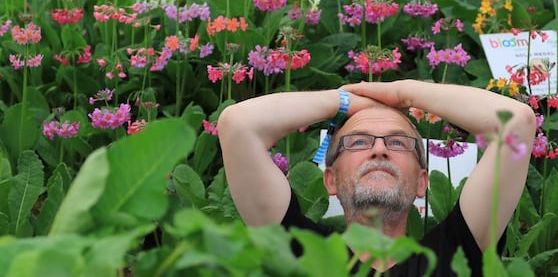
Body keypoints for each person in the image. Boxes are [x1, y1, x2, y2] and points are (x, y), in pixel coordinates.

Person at [217, 79, 536, 276]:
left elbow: (516, 122)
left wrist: (404, 93)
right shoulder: (299, 251)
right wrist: (343, 101)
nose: (379, 150)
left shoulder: (456, 254)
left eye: (398, 142)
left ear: (422, 181)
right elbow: (238, 124)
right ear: (330, 180)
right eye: (358, 141)